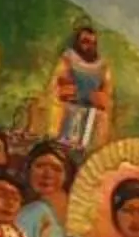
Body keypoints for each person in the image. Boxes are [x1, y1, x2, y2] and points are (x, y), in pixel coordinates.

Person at [48, 24, 113, 152]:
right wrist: (69, 92)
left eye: (93, 43)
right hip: (69, 110)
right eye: (86, 42)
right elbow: (58, 85)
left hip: (92, 115)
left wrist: (101, 99)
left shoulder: (103, 66)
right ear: (78, 42)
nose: (89, 46)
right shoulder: (68, 59)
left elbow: (106, 93)